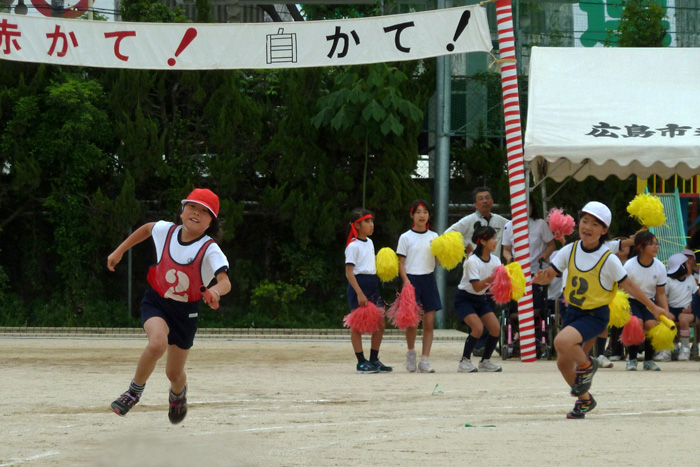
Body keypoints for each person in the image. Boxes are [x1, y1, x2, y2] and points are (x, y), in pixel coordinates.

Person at [534, 201, 668, 420]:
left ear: (604, 230)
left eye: (595, 224)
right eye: (585, 221)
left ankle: (588, 365)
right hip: (573, 312)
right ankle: (585, 400)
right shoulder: (569, 249)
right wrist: (541, 278)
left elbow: (630, 286)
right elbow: (551, 274)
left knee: (561, 342)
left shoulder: (609, 259)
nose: (587, 227)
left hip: (595, 315)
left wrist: (653, 307)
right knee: (562, 362)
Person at [108, 188, 231, 424]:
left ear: (210, 222)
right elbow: (146, 229)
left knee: (173, 374)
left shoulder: (210, 248)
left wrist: (215, 291)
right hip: (157, 302)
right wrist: (119, 250)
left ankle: (178, 394)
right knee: (157, 343)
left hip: (186, 312)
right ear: (182, 210)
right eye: (192, 207)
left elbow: (225, 282)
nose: (196, 213)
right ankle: (133, 392)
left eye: (204, 211)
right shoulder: (167, 230)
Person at [502, 198, 556, 357]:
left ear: (533, 207)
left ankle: (540, 336)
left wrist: (544, 256)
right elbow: (506, 249)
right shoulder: (509, 226)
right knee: (514, 305)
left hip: (536, 270)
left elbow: (551, 245)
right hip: (518, 272)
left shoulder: (540, 224)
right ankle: (514, 335)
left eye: (529, 205)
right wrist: (509, 259)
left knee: (538, 303)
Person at [345, 208, 392, 374]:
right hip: (359, 285)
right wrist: (359, 292)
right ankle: (360, 362)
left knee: (380, 323)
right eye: (367, 221)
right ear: (357, 225)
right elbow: (349, 272)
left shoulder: (370, 242)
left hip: (372, 284)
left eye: (372, 221)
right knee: (356, 326)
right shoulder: (353, 246)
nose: (371, 225)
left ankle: (374, 359)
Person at [397, 200, 442, 373]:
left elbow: (438, 262)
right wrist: (406, 281)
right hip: (411, 281)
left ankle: (425, 360)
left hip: (429, 280)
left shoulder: (434, 236)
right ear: (412, 215)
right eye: (418, 212)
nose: (422, 215)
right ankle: (410, 354)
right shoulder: (405, 237)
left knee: (429, 323)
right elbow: (400, 262)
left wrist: (444, 254)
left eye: (425, 212)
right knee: (412, 323)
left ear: (429, 215)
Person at [455, 226, 503, 373]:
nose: (496, 241)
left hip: (480, 299)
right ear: (482, 241)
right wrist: (493, 277)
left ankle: (485, 361)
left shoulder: (495, 260)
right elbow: (476, 287)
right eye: (493, 238)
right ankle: (464, 361)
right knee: (478, 328)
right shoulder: (472, 261)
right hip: (464, 299)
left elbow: (499, 282)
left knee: (495, 328)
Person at [623, 230, 671, 369]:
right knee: (636, 323)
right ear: (640, 247)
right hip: (631, 300)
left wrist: (666, 311)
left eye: (657, 244)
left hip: (649, 302)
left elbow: (661, 294)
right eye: (652, 244)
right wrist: (625, 309)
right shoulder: (629, 265)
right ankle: (632, 359)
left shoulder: (660, 267)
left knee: (652, 325)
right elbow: (623, 290)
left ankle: (648, 360)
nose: (656, 247)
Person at [445, 186, 509, 259]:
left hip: (495, 266)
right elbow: (448, 234)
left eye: (487, 198)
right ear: (475, 204)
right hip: (474, 264)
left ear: (492, 202)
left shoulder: (501, 221)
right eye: (481, 199)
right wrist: (465, 245)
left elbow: (515, 228)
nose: (485, 201)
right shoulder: (468, 220)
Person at [665, 253, 698, 361]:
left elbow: (695, 296)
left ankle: (685, 348)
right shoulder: (668, 280)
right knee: (667, 319)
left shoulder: (691, 279)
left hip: (687, 310)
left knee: (683, 319)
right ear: (681, 267)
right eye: (687, 263)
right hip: (671, 308)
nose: (690, 265)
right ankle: (668, 347)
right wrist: (666, 310)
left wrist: (690, 308)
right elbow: (664, 297)